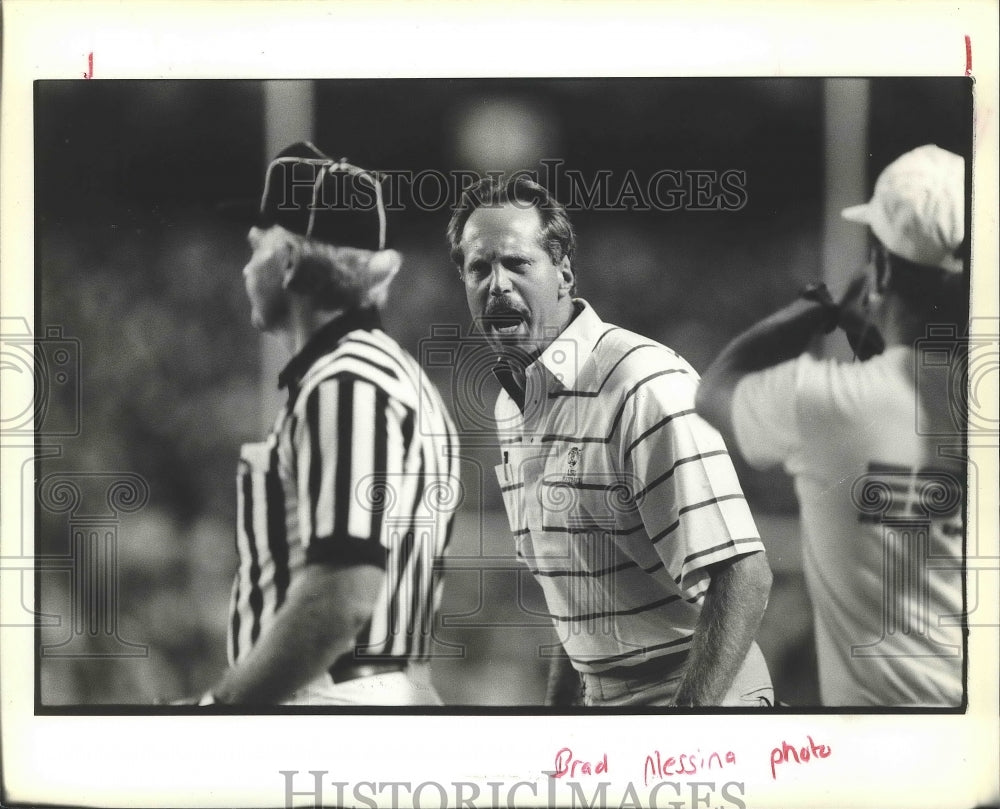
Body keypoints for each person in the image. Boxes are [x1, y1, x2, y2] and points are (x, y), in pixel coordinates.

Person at [446, 175, 774, 707]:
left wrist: (686, 732)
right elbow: (575, 598)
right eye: (479, 268)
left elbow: (744, 575)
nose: (497, 284)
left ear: (563, 274)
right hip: (607, 705)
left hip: (695, 690)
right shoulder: (513, 405)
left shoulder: (643, 383)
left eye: (517, 263)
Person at [695, 144, 968, 706]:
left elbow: (715, 389)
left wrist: (820, 308)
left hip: (876, 757)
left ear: (883, 268)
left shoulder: (825, 402)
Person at [188, 142, 460, 706]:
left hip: (323, 705)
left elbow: (343, 598)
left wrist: (224, 707)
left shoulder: (347, 381)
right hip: (377, 698)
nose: (245, 266)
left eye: (255, 246)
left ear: (288, 261)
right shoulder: (392, 373)